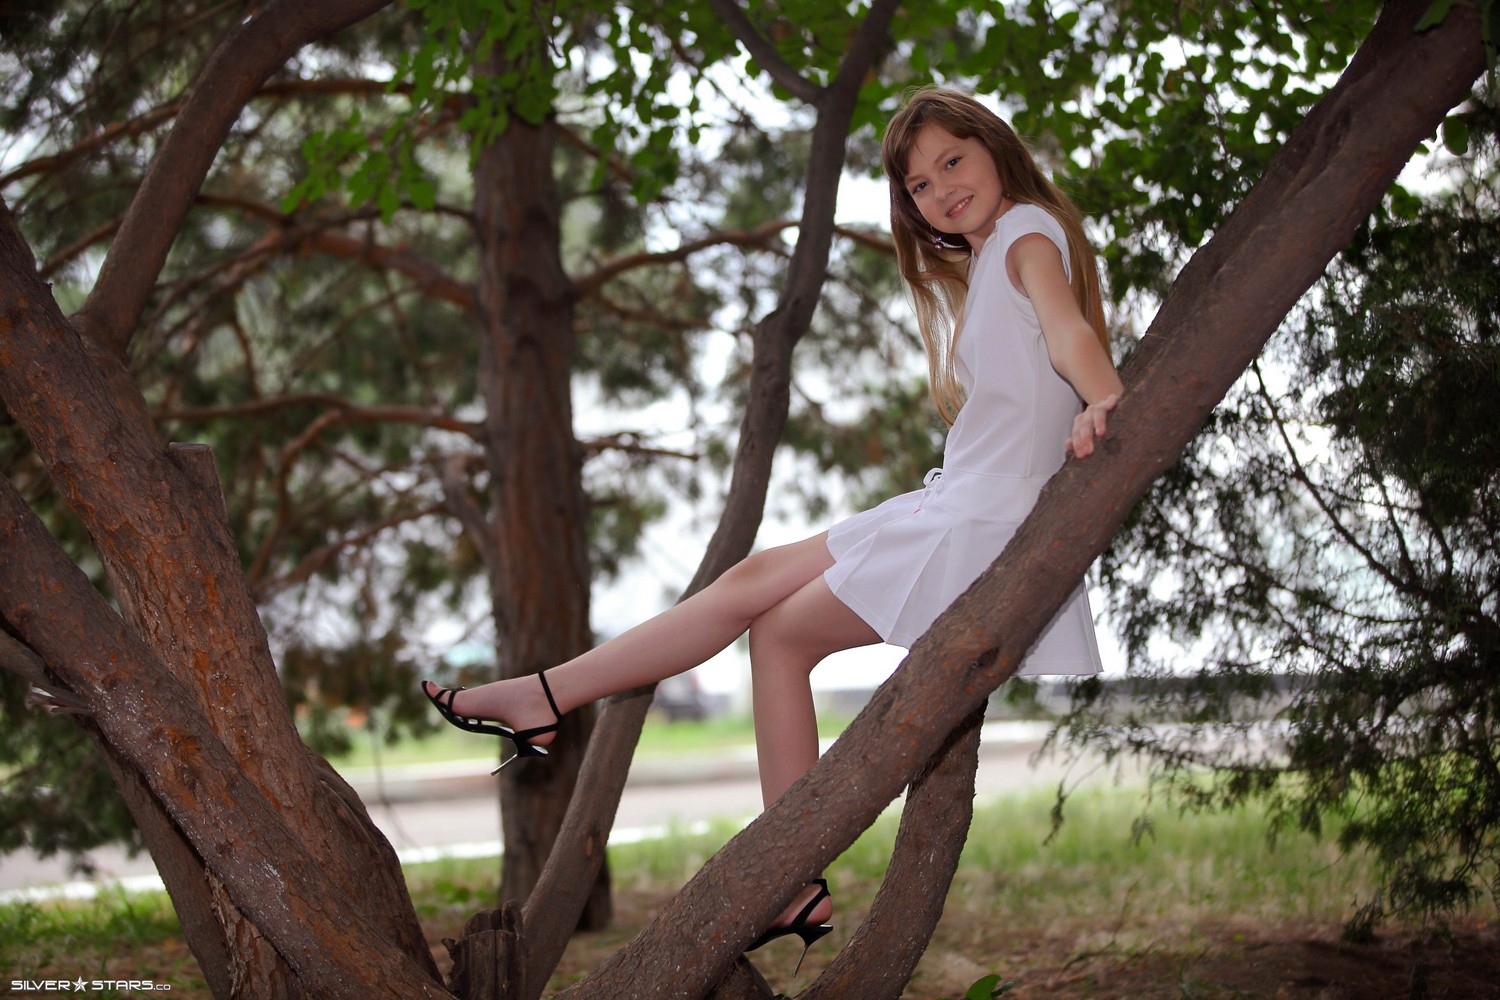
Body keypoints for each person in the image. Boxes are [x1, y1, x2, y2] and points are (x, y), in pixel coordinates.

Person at [423, 86, 1123, 964]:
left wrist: (1107, 400)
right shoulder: (991, 257)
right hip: (962, 501)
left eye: (954, 161)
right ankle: (584, 722)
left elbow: (1067, 331)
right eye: (918, 183)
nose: (941, 189)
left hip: (984, 516)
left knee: (770, 620)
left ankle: (561, 708)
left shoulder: (1023, 234)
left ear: (995, 147)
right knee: (768, 615)